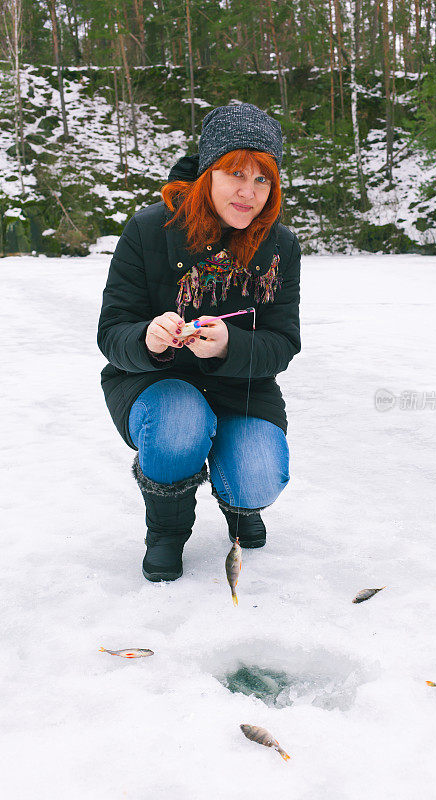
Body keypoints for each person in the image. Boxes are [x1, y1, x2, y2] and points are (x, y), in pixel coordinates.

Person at [97, 103, 301, 583]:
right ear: (209, 172)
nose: (248, 193)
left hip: (241, 384)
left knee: (257, 476)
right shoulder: (150, 229)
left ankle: (240, 505)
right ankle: (166, 530)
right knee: (179, 421)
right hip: (154, 381)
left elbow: (283, 342)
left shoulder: (279, 245)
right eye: (235, 174)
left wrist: (232, 346)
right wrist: (148, 339)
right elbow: (112, 331)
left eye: (262, 180)